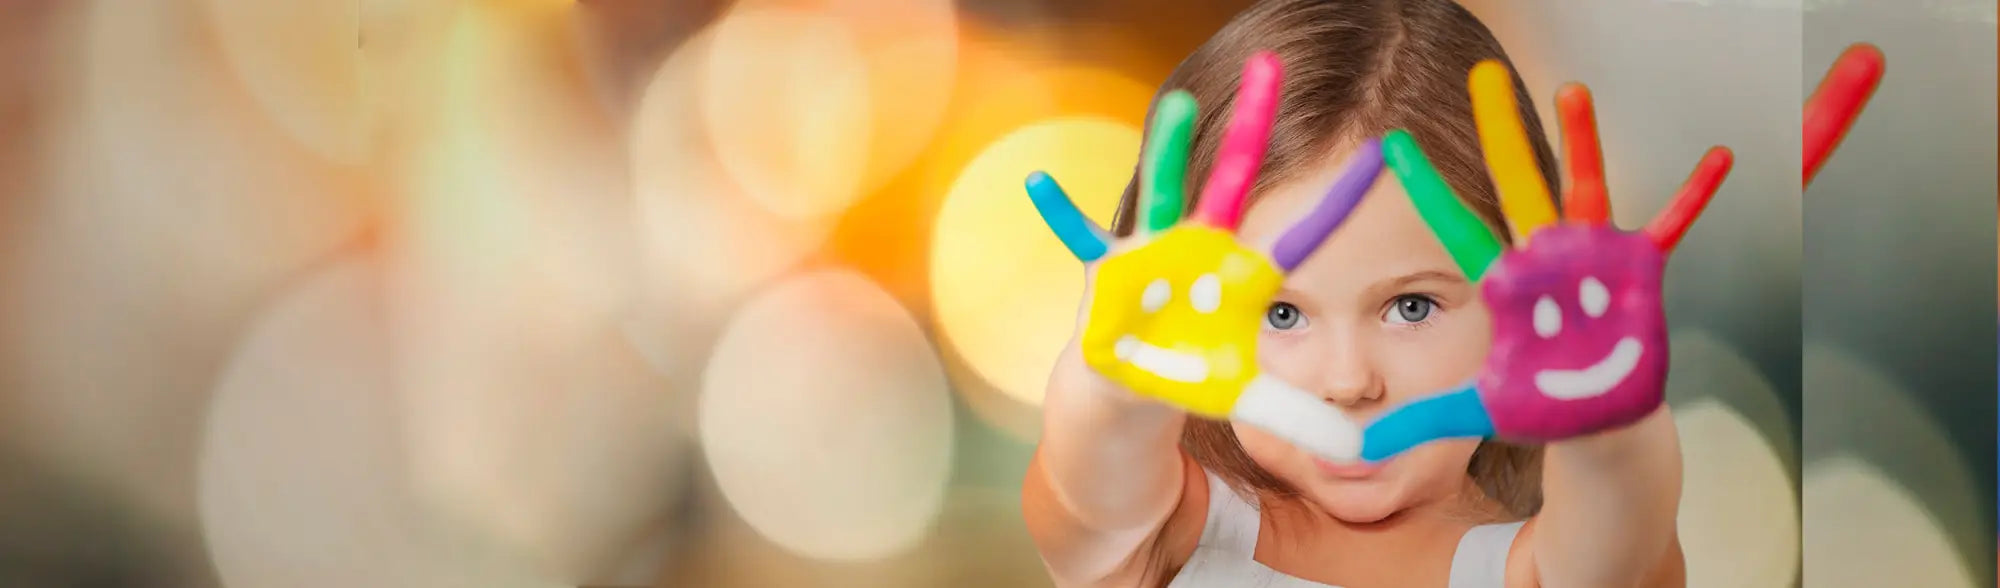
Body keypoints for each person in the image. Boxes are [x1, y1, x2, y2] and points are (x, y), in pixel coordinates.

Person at [1020, 1, 1689, 586]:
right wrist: (1111, 389)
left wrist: (1611, 428)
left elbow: (1622, 543)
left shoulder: (1535, 571)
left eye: (1411, 307)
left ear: (1520, 313)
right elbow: (1089, 487)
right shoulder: (1167, 535)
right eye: (1280, 312)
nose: (1347, 382)